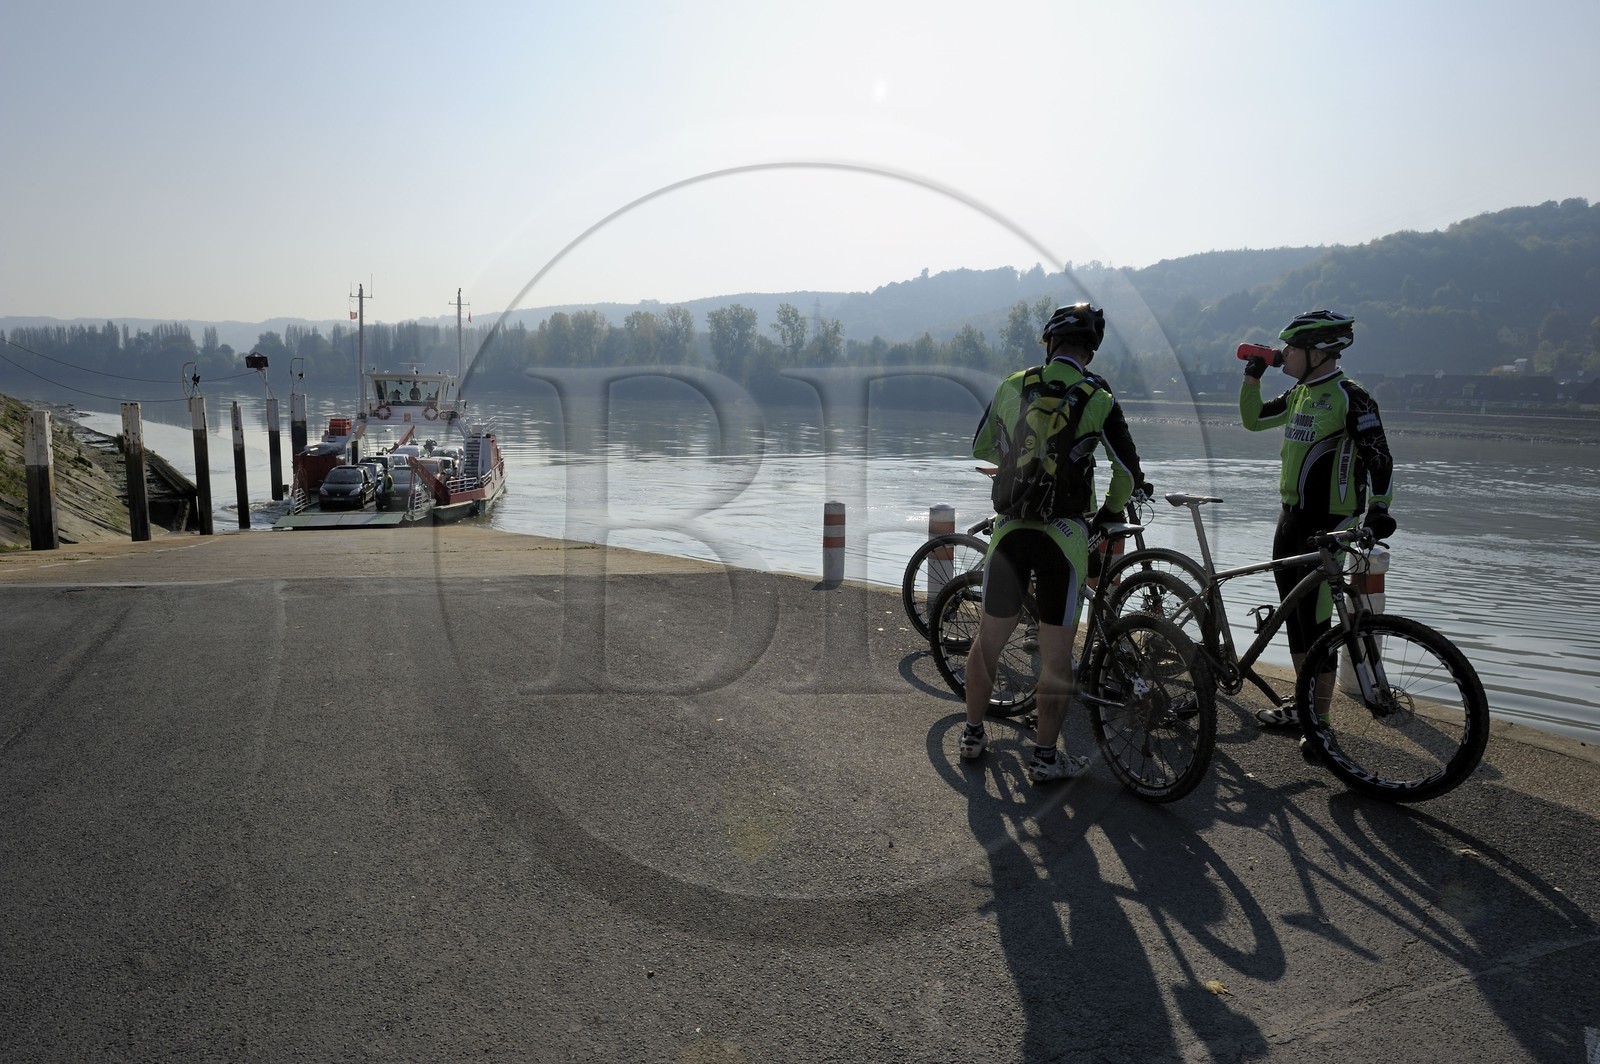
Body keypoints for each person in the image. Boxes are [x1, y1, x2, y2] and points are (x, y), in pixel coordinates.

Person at [959, 303, 1147, 782]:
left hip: (1009, 532)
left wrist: (1016, 458)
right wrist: (1105, 515)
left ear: (1049, 343)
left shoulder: (1012, 384)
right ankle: (1045, 759)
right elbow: (1126, 473)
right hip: (1065, 539)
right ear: (1090, 349)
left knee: (987, 644)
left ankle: (973, 734)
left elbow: (981, 446)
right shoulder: (1097, 396)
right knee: (1057, 658)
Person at [1239, 309, 1396, 730]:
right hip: (1289, 518)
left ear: (1318, 353)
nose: (1283, 354)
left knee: (1318, 622)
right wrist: (1252, 379)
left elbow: (1379, 456)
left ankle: (1318, 718)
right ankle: (1305, 706)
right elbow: (1253, 421)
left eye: (1292, 348)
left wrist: (1380, 507)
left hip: (1331, 522)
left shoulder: (1351, 395)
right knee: (1295, 616)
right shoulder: (1299, 394)